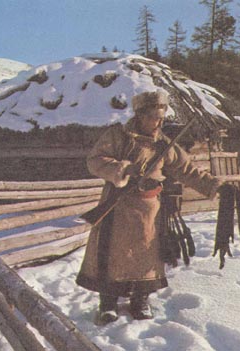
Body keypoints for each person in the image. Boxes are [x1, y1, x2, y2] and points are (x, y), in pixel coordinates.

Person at [76, 89, 222, 325]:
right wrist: (124, 169)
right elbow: (95, 160)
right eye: (155, 116)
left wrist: (215, 185)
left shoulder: (165, 145)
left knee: (147, 253)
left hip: (150, 210)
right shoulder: (117, 136)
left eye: (162, 117)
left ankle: (140, 300)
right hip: (119, 206)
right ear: (141, 115)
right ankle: (108, 303)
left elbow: (187, 171)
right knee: (113, 253)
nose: (159, 122)